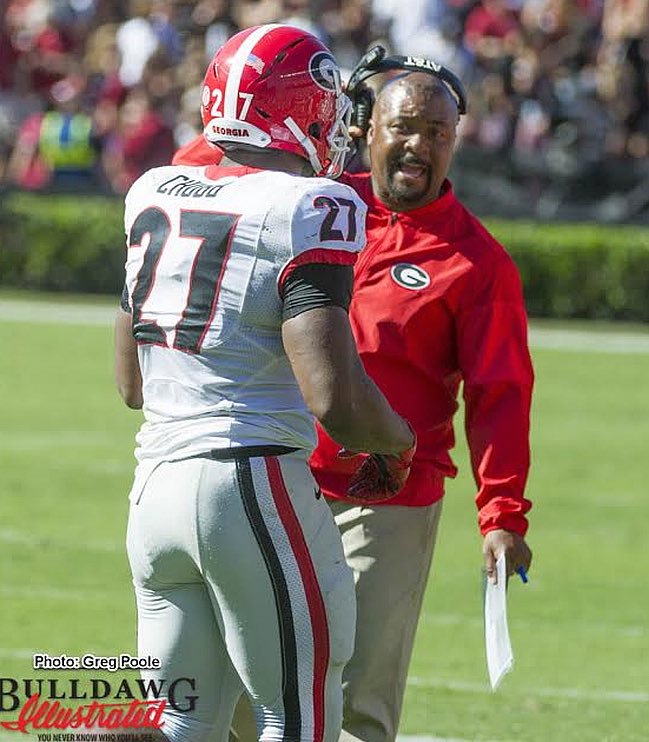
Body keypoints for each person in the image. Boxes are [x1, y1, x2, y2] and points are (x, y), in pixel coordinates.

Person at [173, 52, 534, 742]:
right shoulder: (315, 201)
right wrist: (300, 101)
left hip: (389, 497)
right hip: (279, 479)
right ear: (365, 128)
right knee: (252, 696)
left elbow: (501, 395)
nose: (419, 144)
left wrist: (501, 513)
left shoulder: (476, 262)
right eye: (404, 126)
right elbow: (201, 164)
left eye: (437, 131)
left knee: (358, 703)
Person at [114, 25, 416, 742]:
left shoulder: (153, 189)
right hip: (249, 484)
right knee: (299, 716)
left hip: (153, 490)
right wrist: (399, 441)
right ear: (299, 107)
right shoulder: (311, 204)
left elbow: (129, 380)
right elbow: (334, 400)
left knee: (181, 724)